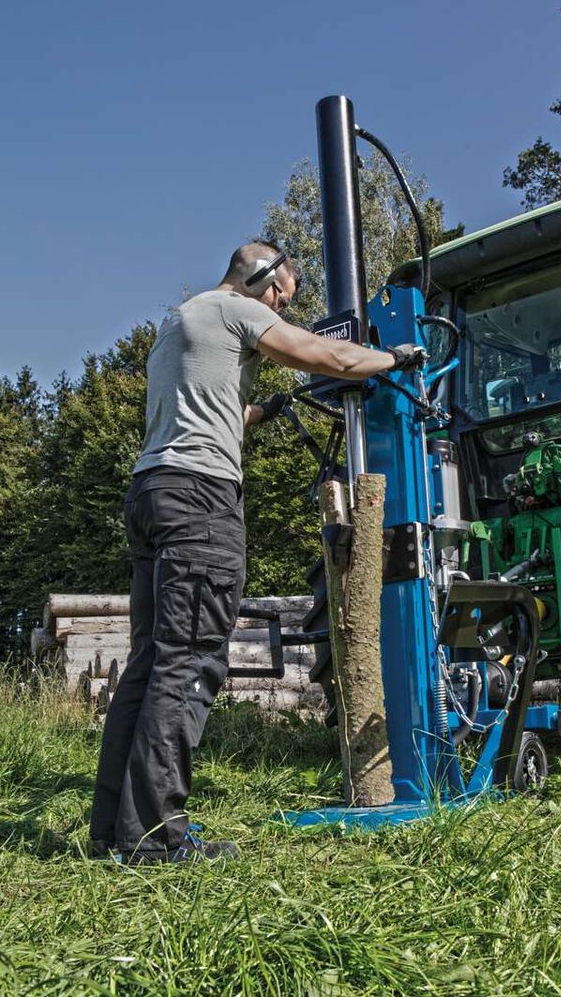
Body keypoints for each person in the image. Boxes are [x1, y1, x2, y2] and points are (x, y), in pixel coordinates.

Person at [88, 241, 425, 863]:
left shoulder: (180, 324)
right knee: (188, 664)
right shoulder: (235, 309)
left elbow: (219, 409)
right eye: (282, 298)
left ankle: (113, 833)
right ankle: (156, 842)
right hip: (200, 499)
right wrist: (389, 359)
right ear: (261, 279)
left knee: (149, 666)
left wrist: (266, 409)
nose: (281, 309)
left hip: (152, 492)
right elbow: (320, 353)